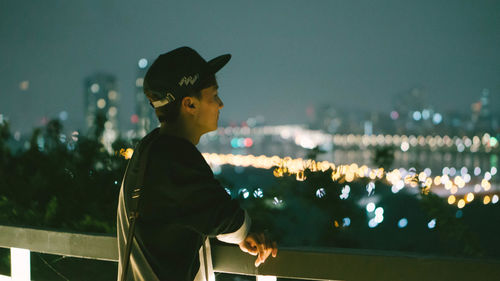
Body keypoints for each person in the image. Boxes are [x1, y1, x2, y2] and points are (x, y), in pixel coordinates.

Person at [117, 46, 278, 281]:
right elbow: (228, 219)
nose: (220, 104)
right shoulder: (176, 157)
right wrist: (246, 232)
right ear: (190, 104)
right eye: (214, 95)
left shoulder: (149, 147)